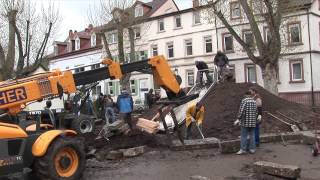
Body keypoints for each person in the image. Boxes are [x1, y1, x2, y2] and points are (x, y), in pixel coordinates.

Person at [234, 90, 258, 155]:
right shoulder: (254, 101)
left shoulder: (244, 101)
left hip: (245, 122)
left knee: (243, 136)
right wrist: (254, 119)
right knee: (252, 135)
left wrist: (238, 119)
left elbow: (241, 111)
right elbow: (256, 112)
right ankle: (252, 149)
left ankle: (243, 150)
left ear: (245, 95)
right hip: (253, 122)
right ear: (250, 95)